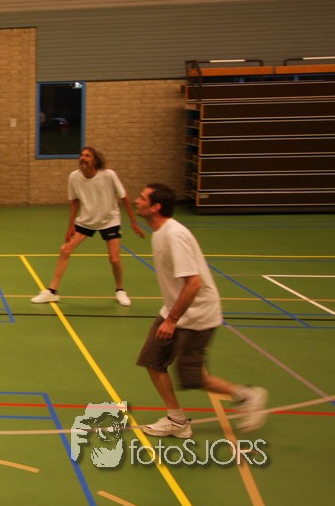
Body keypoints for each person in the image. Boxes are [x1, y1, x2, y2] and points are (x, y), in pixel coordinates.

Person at [134, 184, 268, 437]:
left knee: (193, 378)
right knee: (153, 361)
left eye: (141, 198)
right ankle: (177, 420)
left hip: (198, 316)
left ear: (156, 207)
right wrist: (171, 316)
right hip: (173, 310)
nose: (135, 200)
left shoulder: (175, 236)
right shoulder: (159, 233)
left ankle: (247, 396)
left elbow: (193, 283)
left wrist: (172, 320)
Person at [30, 146, 144, 307]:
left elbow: (124, 197)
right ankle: (52, 292)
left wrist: (133, 222)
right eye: (82, 155)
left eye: (88, 155)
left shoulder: (108, 175)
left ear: (95, 160)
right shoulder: (74, 177)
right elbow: (74, 201)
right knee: (65, 250)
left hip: (109, 220)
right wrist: (71, 226)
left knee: (114, 258)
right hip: (86, 220)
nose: (83, 158)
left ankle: (120, 290)